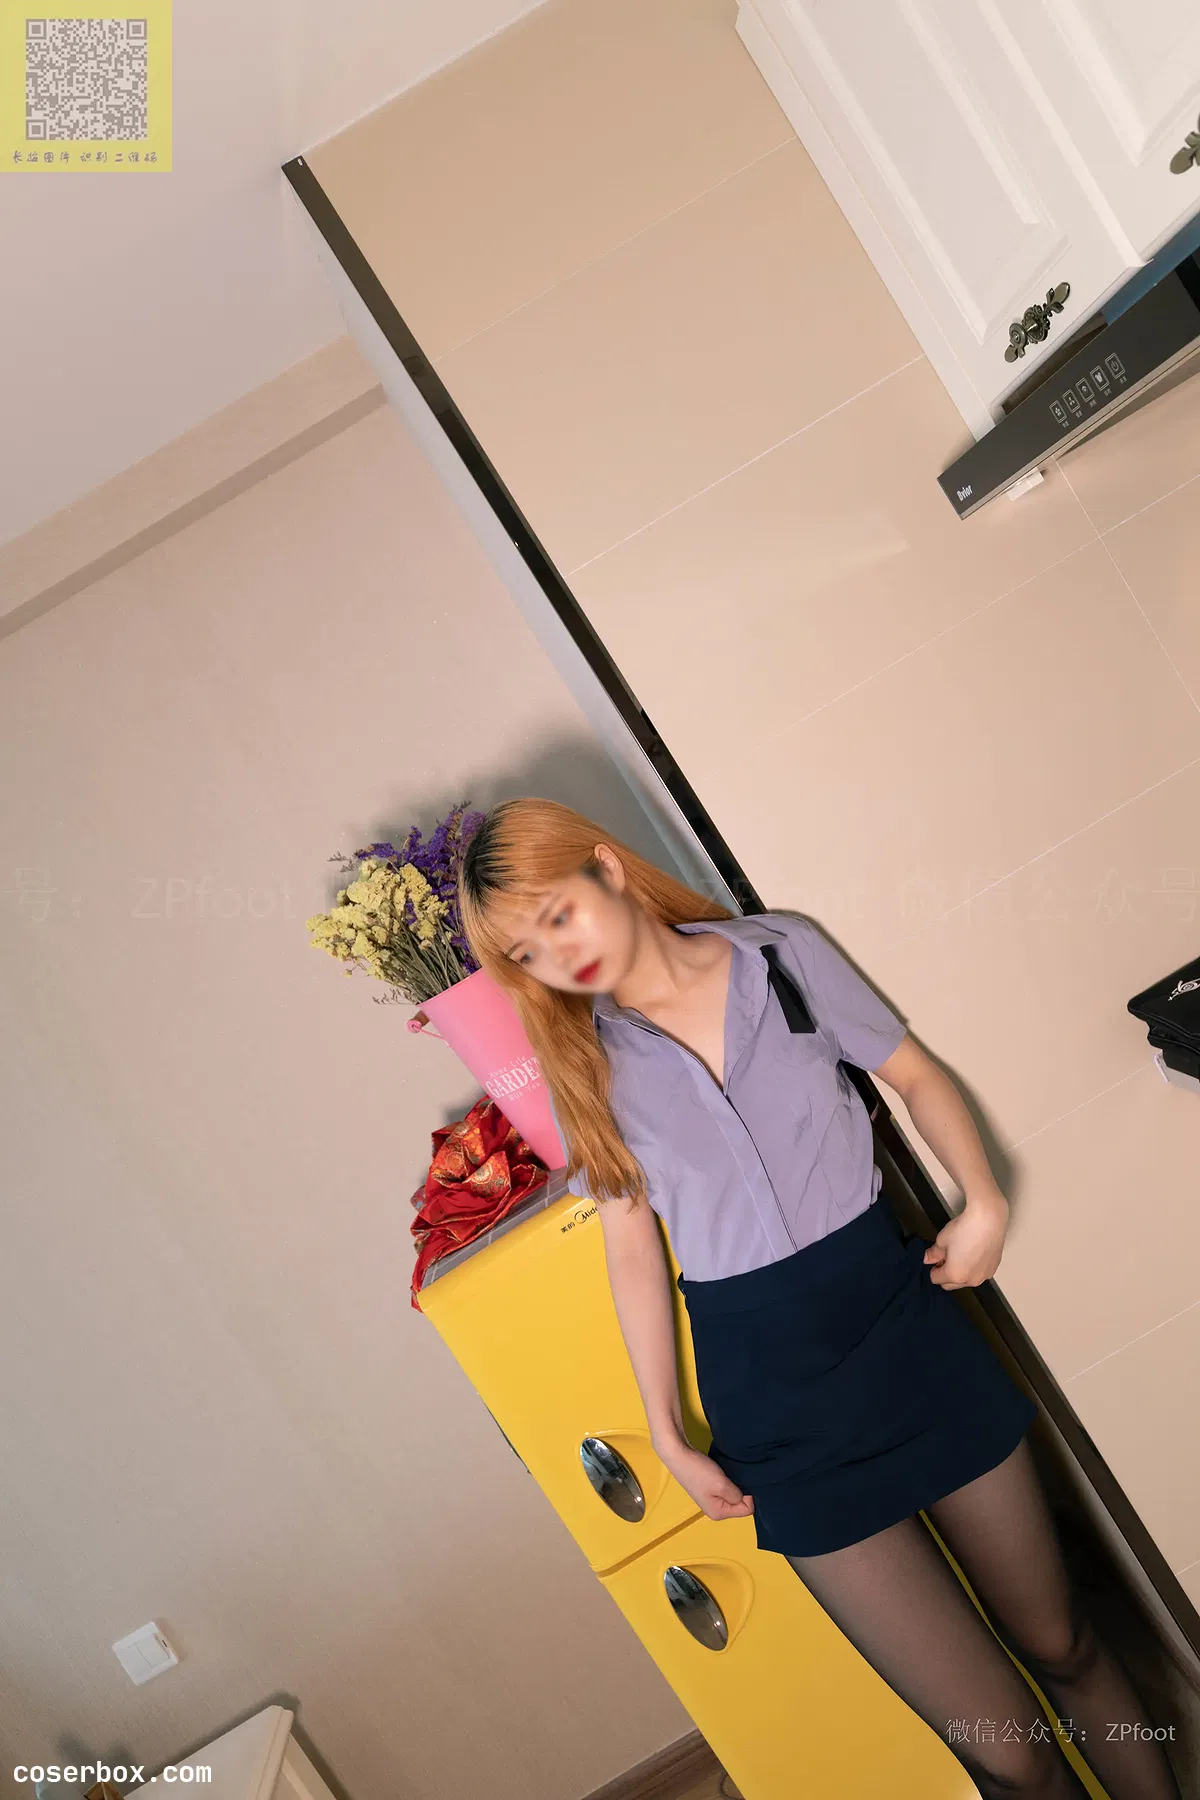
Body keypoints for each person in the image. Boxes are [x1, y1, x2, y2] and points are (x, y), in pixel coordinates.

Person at [458, 796, 1183, 1800]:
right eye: (525, 952)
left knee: (1065, 1646)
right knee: (1006, 1751)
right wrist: (666, 1433)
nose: (556, 955)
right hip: (774, 1405)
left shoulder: (781, 957)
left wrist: (982, 1201)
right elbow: (631, 1250)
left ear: (607, 869)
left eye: (556, 915)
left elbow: (916, 1076)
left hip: (903, 1333)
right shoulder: (585, 1069)